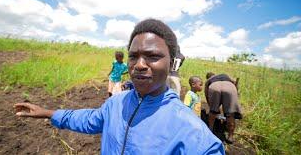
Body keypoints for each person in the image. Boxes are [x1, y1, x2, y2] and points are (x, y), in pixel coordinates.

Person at [14, 19, 225, 154]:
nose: (140, 65)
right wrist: (47, 113)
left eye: (152, 56)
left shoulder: (193, 134)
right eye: (133, 56)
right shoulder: (115, 103)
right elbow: (88, 119)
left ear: (171, 64)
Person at [205, 72, 242, 144]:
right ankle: (230, 136)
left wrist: (212, 107)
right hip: (230, 87)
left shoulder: (209, 80)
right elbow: (235, 81)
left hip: (214, 87)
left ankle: (210, 130)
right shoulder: (225, 75)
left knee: (213, 111)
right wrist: (235, 91)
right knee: (230, 114)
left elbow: (206, 95)